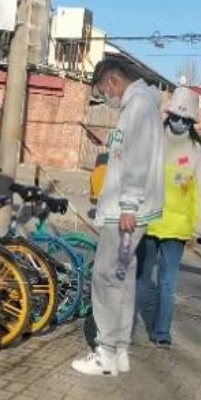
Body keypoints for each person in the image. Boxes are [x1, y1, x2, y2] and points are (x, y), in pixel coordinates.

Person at [72, 58, 165, 376]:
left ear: (112, 81)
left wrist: (128, 205)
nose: (105, 98)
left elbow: (136, 161)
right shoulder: (144, 105)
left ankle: (106, 353)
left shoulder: (138, 106)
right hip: (129, 209)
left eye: (102, 91)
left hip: (123, 212)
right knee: (122, 279)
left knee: (106, 278)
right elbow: (129, 155)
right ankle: (119, 350)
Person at [136, 87, 201, 348]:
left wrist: (198, 228)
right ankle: (126, 327)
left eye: (185, 119)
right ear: (169, 115)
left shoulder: (196, 151)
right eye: (176, 116)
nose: (179, 122)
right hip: (149, 222)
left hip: (177, 229)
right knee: (141, 279)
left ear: (192, 122)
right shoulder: (154, 140)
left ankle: (161, 333)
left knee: (167, 284)